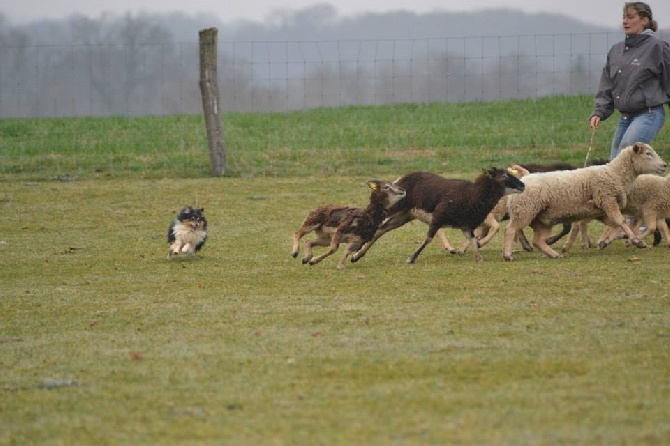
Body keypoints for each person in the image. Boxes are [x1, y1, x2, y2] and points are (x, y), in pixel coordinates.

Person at [589, 2, 670, 161]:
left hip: (649, 114)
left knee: (627, 155)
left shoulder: (658, 47)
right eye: (624, 17)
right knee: (615, 164)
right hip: (625, 117)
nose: (625, 21)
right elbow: (607, 84)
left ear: (644, 20)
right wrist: (600, 111)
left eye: (630, 17)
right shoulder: (616, 50)